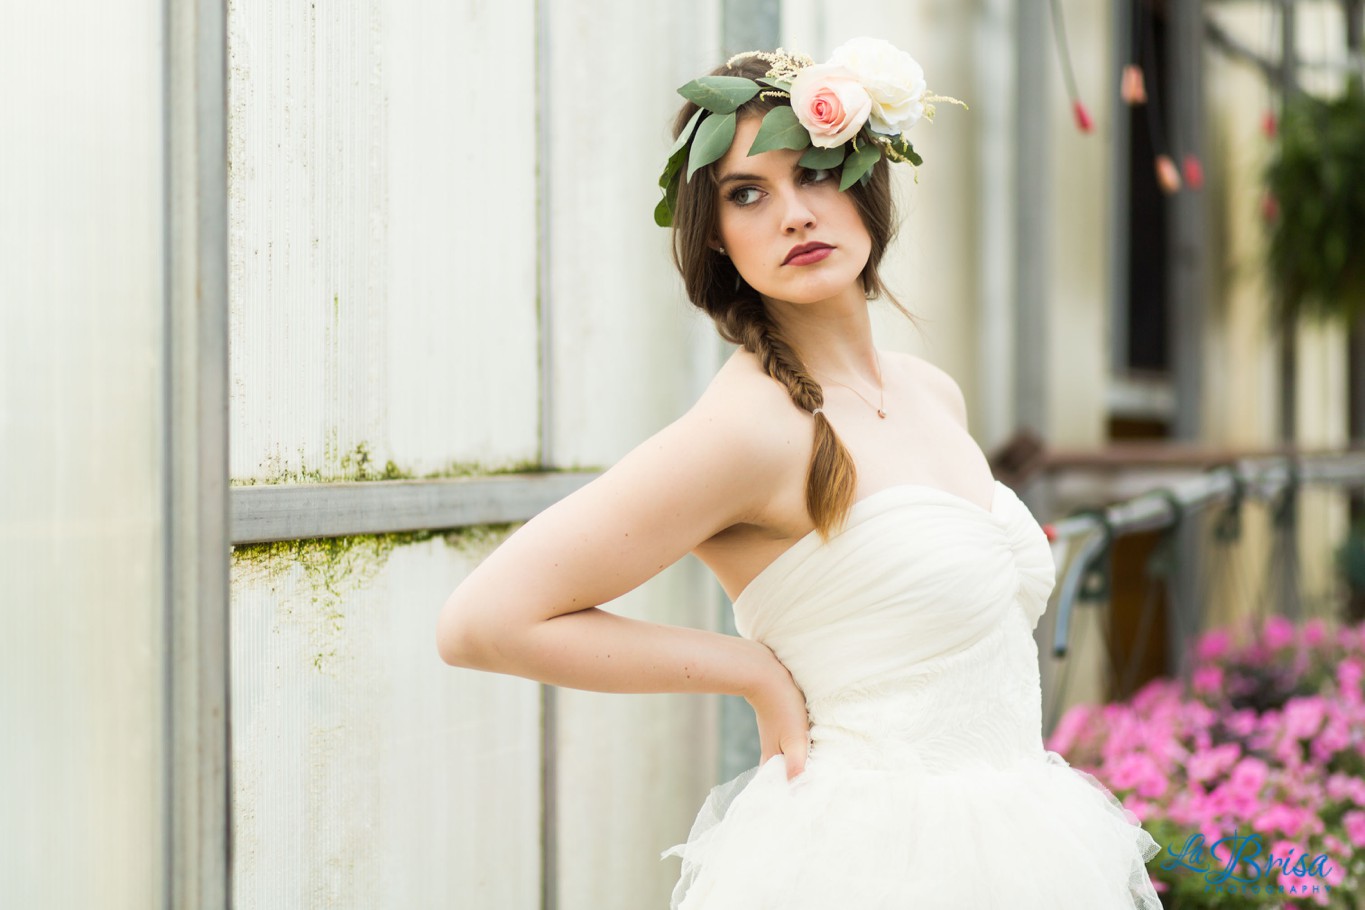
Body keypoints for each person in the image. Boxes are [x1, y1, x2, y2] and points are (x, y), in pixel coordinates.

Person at [436, 38, 1162, 910]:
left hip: (1017, 835)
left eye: (813, 174)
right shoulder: (747, 429)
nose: (793, 214)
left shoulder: (931, 391)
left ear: (867, 186)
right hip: (864, 864)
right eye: (748, 194)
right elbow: (482, 622)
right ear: (717, 242)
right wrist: (749, 670)